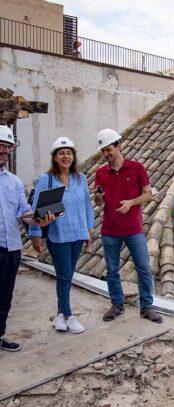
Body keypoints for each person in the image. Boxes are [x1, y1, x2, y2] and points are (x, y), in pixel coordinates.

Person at [93, 128, 162, 323]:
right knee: (112, 270)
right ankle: (117, 304)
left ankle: (146, 307)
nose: (106, 154)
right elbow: (99, 203)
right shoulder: (100, 172)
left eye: (109, 150)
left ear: (119, 146)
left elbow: (149, 194)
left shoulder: (137, 167)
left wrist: (131, 202)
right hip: (110, 228)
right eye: (103, 151)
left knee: (143, 268)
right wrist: (98, 197)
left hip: (133, 227)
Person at [30, 137, 94, 334]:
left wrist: (88, 230)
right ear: (55, 157)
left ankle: (59, 314)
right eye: (61, 153)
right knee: (64, 276)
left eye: (69, 153)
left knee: (66, 276)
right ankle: (68, 315)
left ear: (73, 156)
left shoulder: (80, 178)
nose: (66, 156)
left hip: (77, 234)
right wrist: (35, 235)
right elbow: (36, 211)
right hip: (59, 235)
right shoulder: (46, 180)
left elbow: (86, 205)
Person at [0, 125, 54, 351]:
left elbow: (23, 212)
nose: (6, 151)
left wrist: (41, 219)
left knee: (4, 295)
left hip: (11, 247)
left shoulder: (14, 182)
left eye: (9, 148)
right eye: (2, 146)